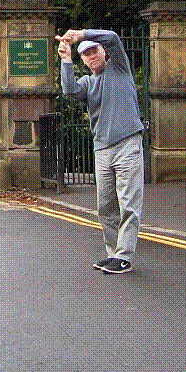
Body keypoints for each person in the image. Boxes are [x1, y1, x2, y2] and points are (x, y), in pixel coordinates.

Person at [55, 29, 144, 274]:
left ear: (104, 52)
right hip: (102, 149)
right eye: (86, 54)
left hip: (127, 144)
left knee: (128, 204)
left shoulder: (119, 68)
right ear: (83, 60)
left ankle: (124, 257)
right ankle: (113, 253)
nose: (92, 56)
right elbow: (70, 90)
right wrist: (66, 59)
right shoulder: (87, 82)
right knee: (105, 207)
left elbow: (113, 37)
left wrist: (81, 35)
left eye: (95, 50)